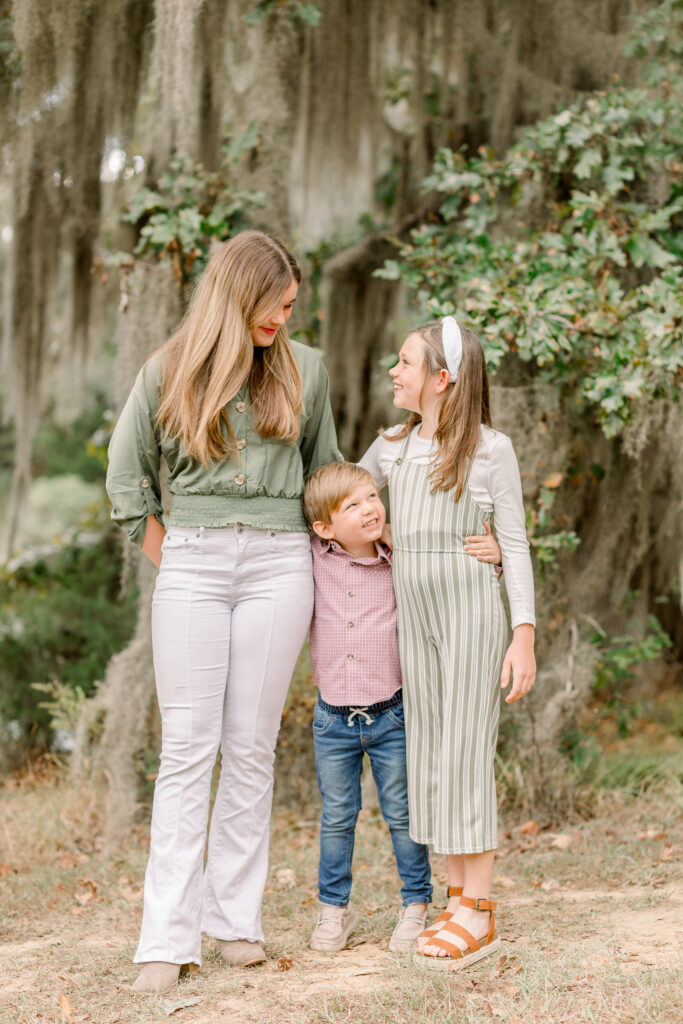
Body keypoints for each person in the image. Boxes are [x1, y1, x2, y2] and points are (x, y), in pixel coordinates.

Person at [105, 230, 341, 993]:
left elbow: (323, 481)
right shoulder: (165, 370)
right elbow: (126, 480)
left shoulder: (306, 369)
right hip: (194, 563)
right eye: (275, 302)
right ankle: (164, 940)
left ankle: (234, 920)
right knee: (187, 750)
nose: (283, 315)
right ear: (238, 291)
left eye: (291, 305)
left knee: (249, 747)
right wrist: (173, 559)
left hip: (281, 564)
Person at [359, 316, 536, 970]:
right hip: (416, 620)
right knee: (432, 753)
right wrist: (372, 540)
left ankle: (479, 915)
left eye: (405, 363)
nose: (394, 373)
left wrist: (523, 634)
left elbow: (512, 543)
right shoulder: (391, 447)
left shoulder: (491, 449)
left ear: (442, 379)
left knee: (465, 754)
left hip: (469, 613)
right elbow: (349, 503)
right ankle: (456, 896)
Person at [301, 461, 502, 954]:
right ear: (324, 527)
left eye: (372, 496)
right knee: (336, 817)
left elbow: (449, 560)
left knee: (403, 814)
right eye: (352, 505)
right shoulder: (311, 557)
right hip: (332, 719)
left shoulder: (401, 554)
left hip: (392, 715)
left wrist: (496, 556)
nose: (369, 508)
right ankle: (334, 911)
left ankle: (416, 905)